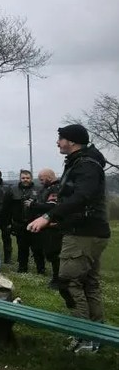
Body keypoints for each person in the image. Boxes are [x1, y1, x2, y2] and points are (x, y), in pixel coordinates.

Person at [27, 124, 111, 354]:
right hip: (86, 230)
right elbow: (78, 200)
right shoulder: (81, 162)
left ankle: (85, 336)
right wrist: (60, 221)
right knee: (88, 282)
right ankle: (97, 334)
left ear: (72, 141)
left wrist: (48, 216)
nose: (57, 142)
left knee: (68, 281)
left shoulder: (86, 165)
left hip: (84, 233)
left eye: (60, 139)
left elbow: (83, 197)